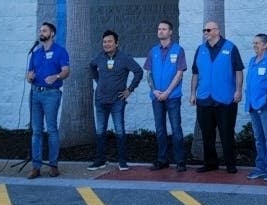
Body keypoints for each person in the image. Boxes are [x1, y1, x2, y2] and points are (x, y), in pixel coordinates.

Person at [190, 21, 244, 174]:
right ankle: (210, 163)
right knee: (207, 134)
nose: (205, 32)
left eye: (208, 30)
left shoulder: (230, 47)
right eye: (204, 30)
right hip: (204, 99)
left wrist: (238, 91)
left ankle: (230, 164)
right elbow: (195, 73)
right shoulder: (200, 50)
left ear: (217, 31)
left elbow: (239, 70)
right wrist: (193, 93)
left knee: (227, 133)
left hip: (225, 99)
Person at [87, 30, 143, 171]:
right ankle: (100, 161)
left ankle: (122, 162)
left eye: (110, 41)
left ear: (116, 43)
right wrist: (98, 81)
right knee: (100, 131)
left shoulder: (124, 58)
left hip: (117, 101)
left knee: (119, 130)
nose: (106, 44)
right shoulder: (100, 57)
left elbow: (138, 71)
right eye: (104, 42)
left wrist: (129, 90)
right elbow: (92, 66)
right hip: (100, 100)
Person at [25, 21, 70, 179]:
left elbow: (66, 71)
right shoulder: (35, 53)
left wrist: (56, 76)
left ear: (52, 34)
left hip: (51, 94)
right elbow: (29, 74)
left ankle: (53, 165)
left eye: (44, 31)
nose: (41, 33)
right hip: (35, 94)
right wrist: (29, 77)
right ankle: (36, 167)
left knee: (51, 129)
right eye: (40, 31)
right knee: (36, 131)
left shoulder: (60, 51)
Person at [144, 20, 188, 172]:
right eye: (159, 28)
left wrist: (168, 92)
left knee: (176, 128)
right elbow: (148, 73)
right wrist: (155, 90)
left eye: (164, 29)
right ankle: (162, 160)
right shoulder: (153, 51)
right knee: (160, 129)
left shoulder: (178, 50)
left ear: (171, 32)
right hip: (156, 97)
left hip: (173, 97)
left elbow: (179, 73)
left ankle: (180, 161)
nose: (161, 31)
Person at [245, 33, 267, 182]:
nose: (255, 46)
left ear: (265, 45)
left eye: (258, 43)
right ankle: (260, 167)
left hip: (265, 105)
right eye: (254, 43)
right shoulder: (252, 60)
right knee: (258, 138)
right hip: (252, 104)